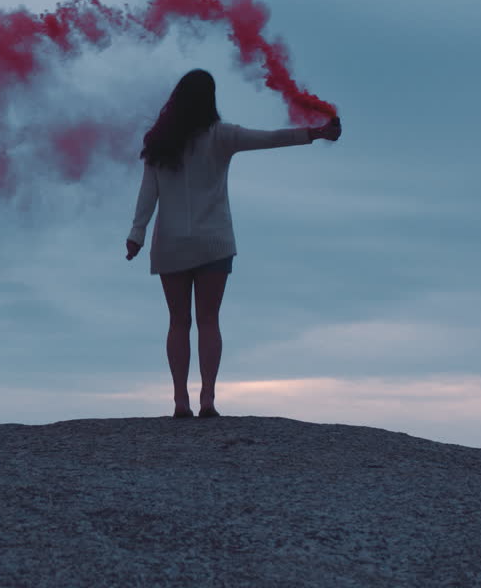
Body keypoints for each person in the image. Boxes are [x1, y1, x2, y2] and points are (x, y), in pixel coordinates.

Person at [126, 69, 341, 419]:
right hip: (214, 242)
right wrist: (315, 133)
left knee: (178, 322)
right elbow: (270, 138)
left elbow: (147, 193)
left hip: (170, 244)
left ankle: (181, 400)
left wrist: (136, 235)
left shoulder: (159, 141)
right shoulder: (221, 136)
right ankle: (207, 398)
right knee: (209, 320)